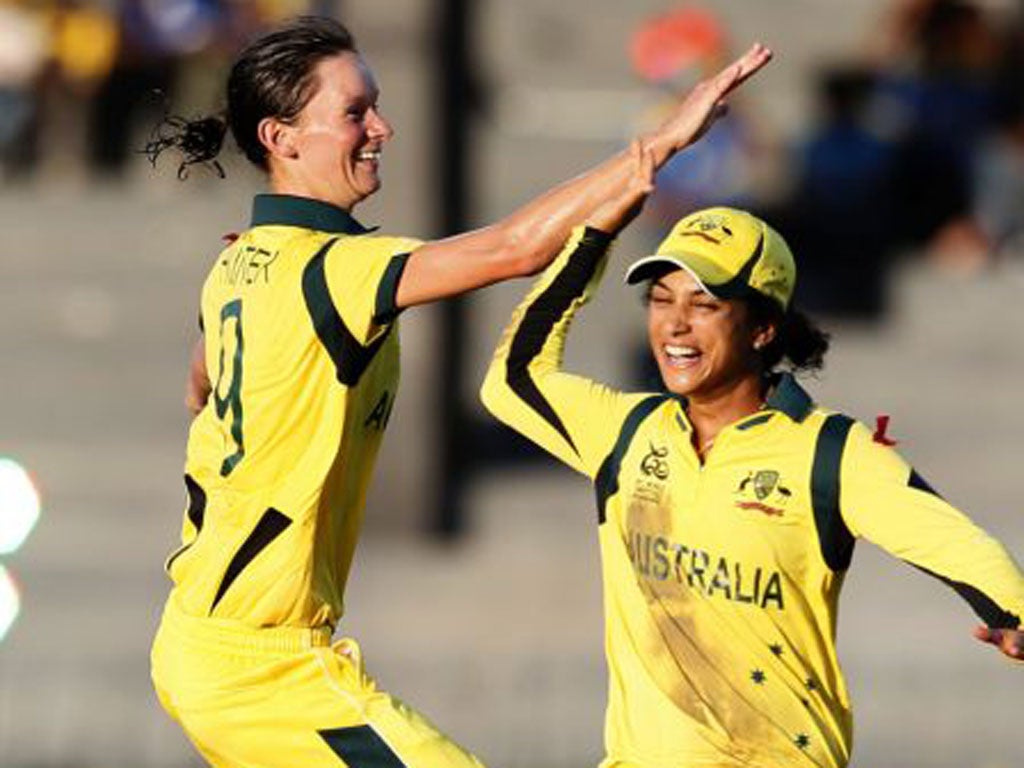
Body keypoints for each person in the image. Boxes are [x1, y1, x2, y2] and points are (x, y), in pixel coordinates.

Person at [146, 15, 772, 768]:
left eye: (375, 103)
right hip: (263, 670)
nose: (381, 126)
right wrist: (659, 146)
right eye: (354, 113)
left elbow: (200, 381)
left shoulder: (239, 266)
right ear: (282, 139)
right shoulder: (336, 271)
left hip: (199, 641)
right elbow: (515, 249)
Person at [480, 146, 1024, 768]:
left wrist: (1015, 611)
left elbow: (957, 542)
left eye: (705, 305)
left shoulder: (831, 451)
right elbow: (511, 379)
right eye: (662, 299)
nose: (675, 326)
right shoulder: (626, 431)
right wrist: (596, 235)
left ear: (762, 328)